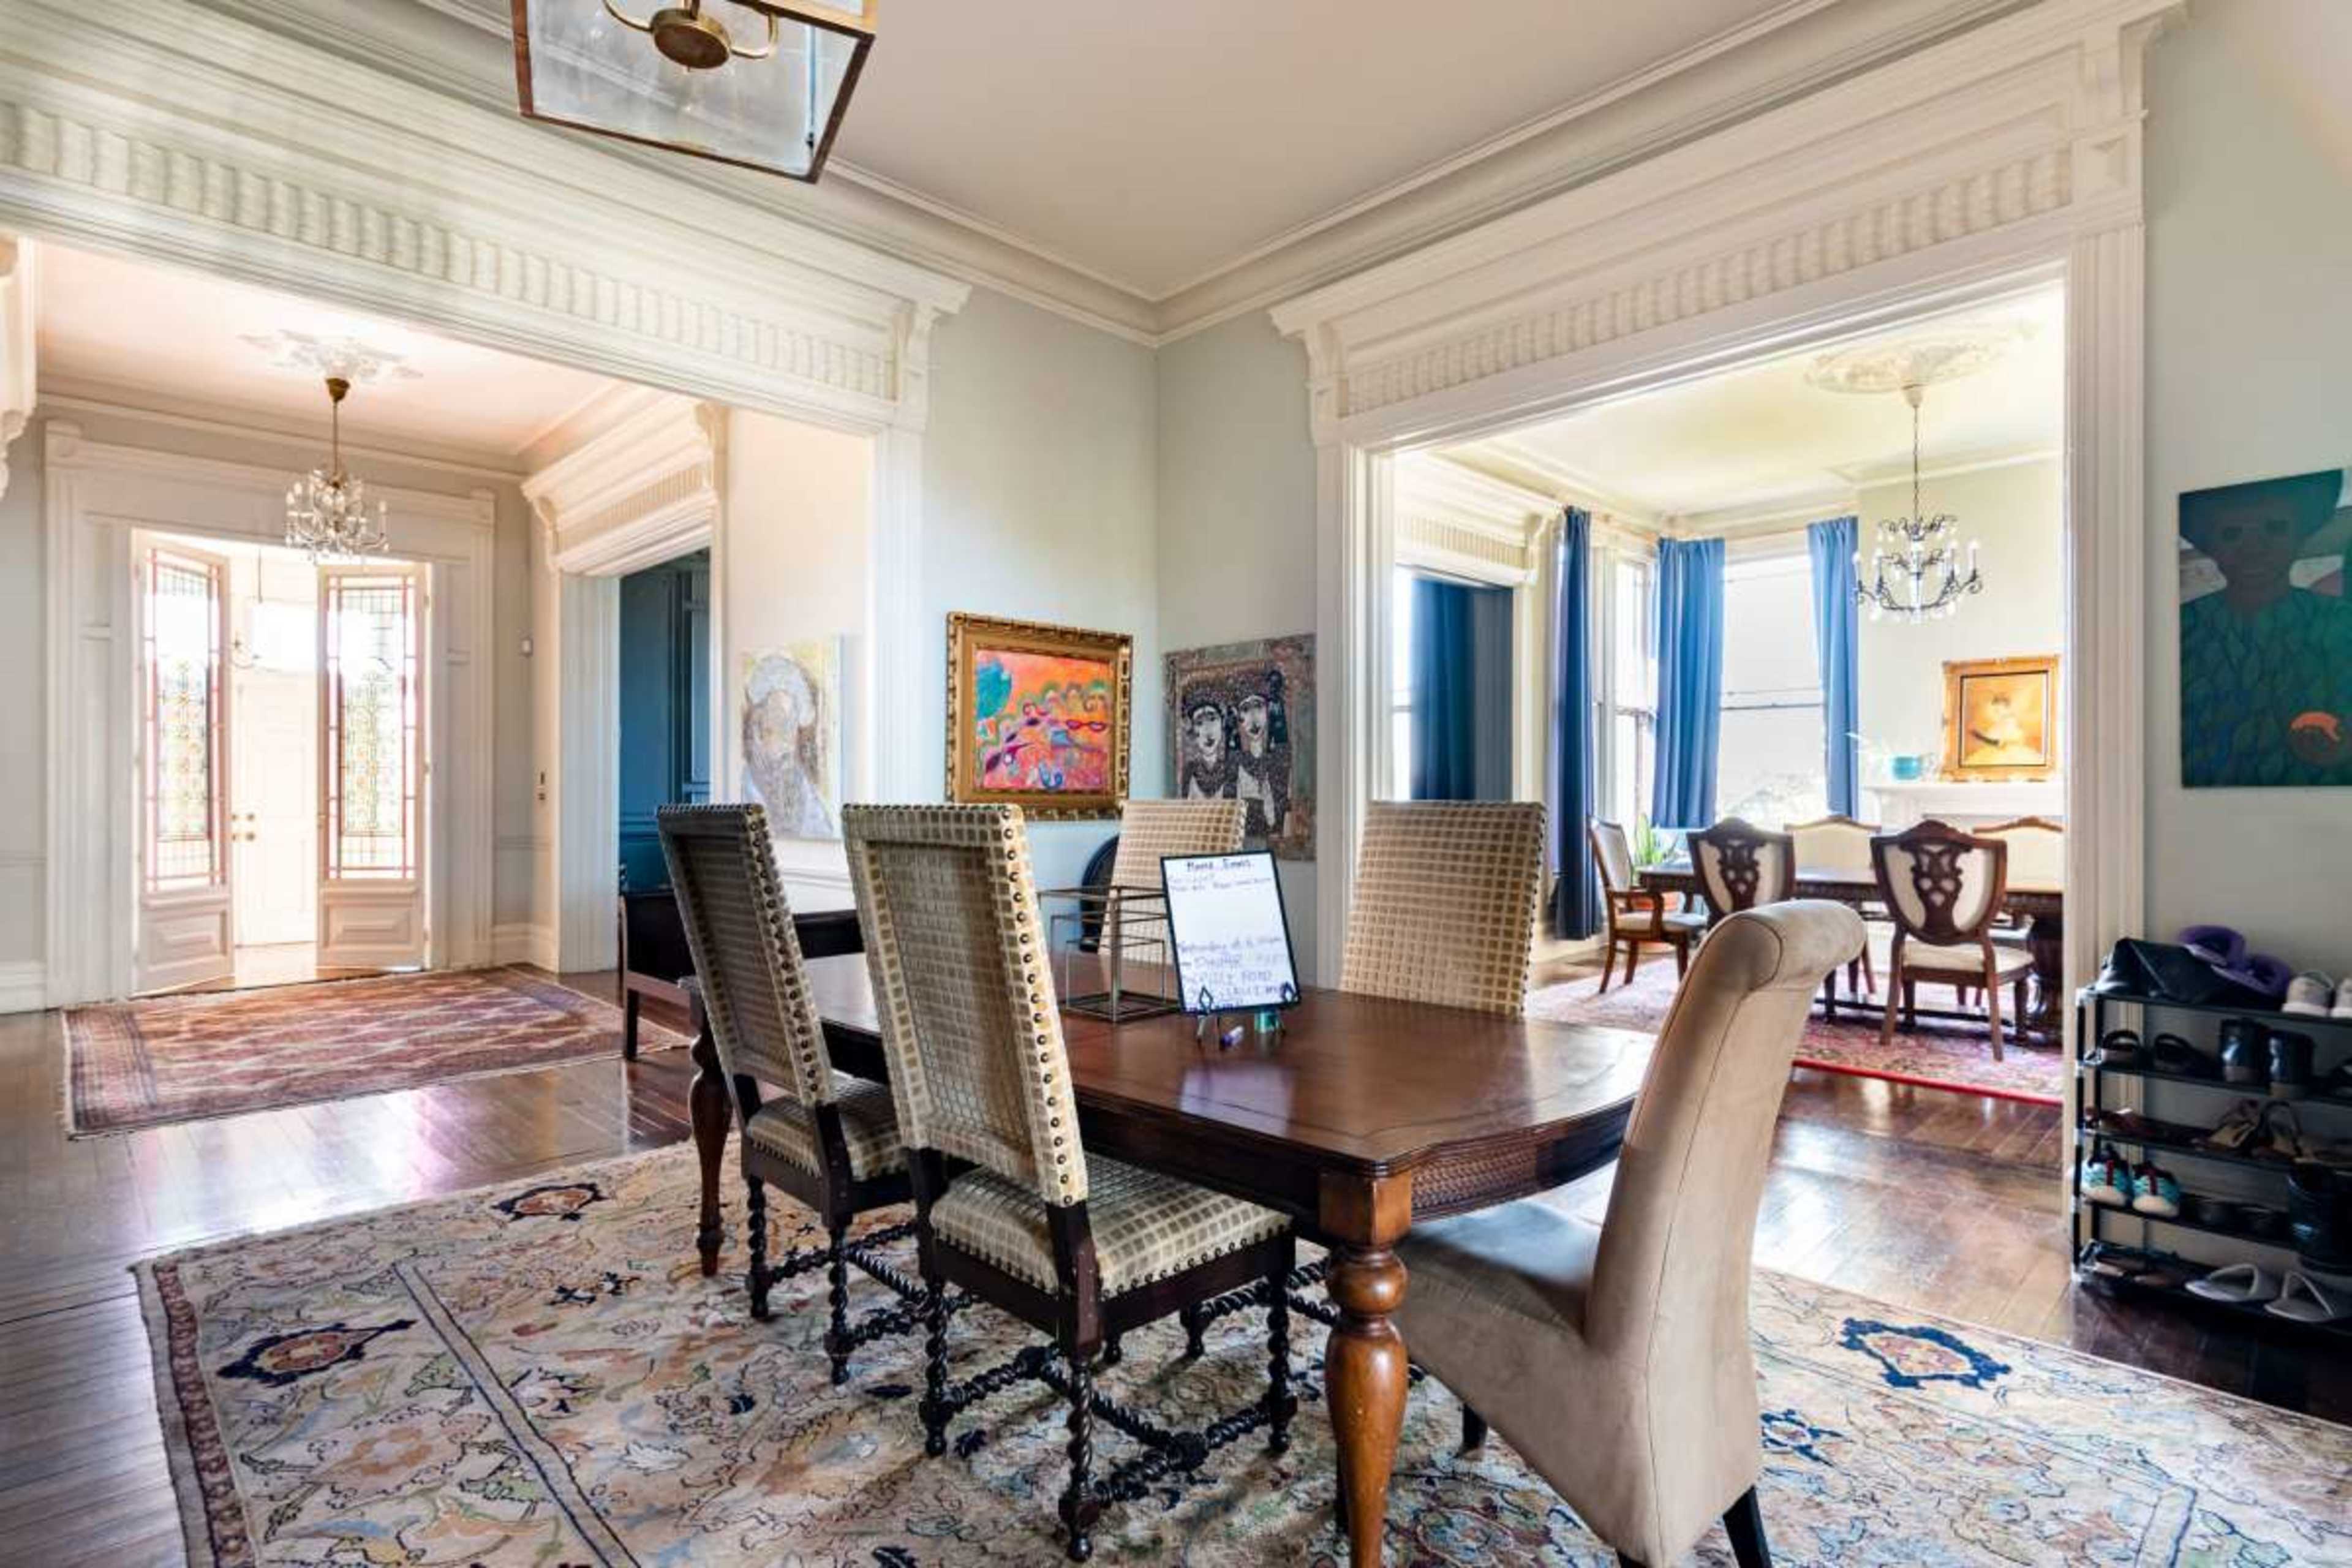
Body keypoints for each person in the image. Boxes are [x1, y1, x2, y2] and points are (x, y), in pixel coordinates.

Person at [2179, 469, 2352, 786]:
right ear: (2210, 546)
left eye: (2275, 528)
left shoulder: (2340, 622)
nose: (2254, 548)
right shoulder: (2182, 627)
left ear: (2301, 535)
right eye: (2232, 534)